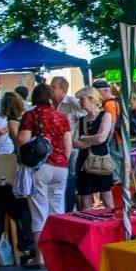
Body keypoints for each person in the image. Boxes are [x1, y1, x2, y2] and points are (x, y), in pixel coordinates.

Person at [19, 84, 72, 268]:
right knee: (56, 211)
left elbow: (23, 141)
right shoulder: (61, 117)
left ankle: (40, 257)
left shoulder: (30, 116)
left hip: (40, 167)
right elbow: (68, 146)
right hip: (61, 168)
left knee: (39, 213)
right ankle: (56, 254)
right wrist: (62, 160)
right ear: (50, 97)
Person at [73, 87, 114, 211]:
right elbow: (75, 142)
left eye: (82, 99)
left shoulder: (105, 115)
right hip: (84, 163)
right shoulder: (81, 120)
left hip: (102, 162)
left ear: (92, 99)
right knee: (85, 202)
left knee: (108, 200)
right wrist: (93, 140)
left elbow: (101, 138)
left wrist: (83, 138)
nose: (80, 102)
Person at [50, 76, 85, 212]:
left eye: (54, 87)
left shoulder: (72, 103)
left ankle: (69, 209)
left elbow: (84, 118)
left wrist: (77, 138)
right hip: (53, 150)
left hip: (70, 149)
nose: (51, 89)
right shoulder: (49, 104)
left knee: (69, 179)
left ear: (63, 90)